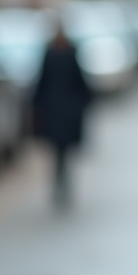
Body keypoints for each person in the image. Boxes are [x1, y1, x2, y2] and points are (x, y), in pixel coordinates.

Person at [31, 22, 92, 207]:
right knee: (57, 151)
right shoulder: (49, 53)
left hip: (67, 111)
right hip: (54, 110)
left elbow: (80, 81)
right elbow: (42, 81)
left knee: (64, 152)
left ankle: (63, 185)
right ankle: (59, 185)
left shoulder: (71, 53)